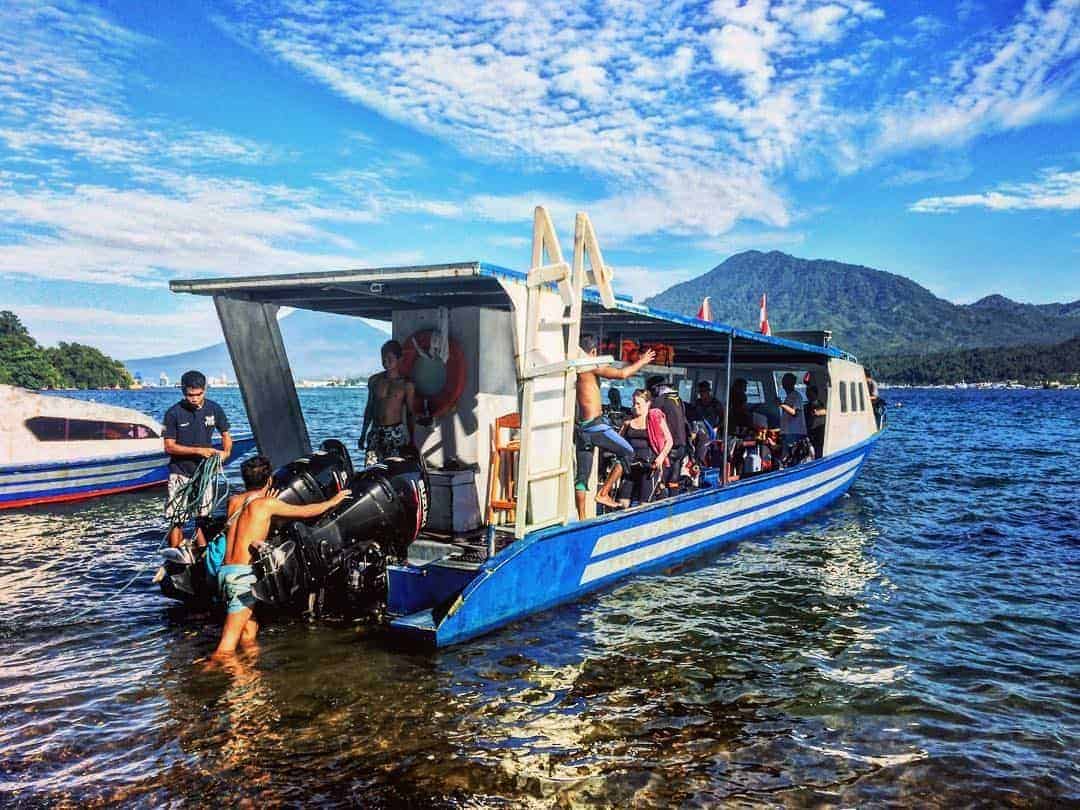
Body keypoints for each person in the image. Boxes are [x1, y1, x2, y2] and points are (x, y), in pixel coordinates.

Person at [213, 455, 351, 659]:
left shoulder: (233, 502)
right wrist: (333, 501)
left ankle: (249, 681)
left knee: (249, 634)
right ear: (269, 481)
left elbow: (245, 526)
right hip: (241, 578)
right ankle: (204, 676)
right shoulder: (267, 504)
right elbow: (306, 511)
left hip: (224, 573)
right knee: (225, 649)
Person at [575, 335, 655, 519]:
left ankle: (581, 519)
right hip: (595, 427)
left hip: (581, 429)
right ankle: (603, 493)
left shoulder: (576, 367)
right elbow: (622, 374)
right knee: (628, 452)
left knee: (581, 479)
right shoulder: (590, 366)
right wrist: (642, 361)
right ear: (594, 352)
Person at [163, 370, 232, 549]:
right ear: (183, 392)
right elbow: (169, 446)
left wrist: (226, 452)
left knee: (203, 517)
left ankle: (202, 552)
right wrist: (198, 451)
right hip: (180, 473)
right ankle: (175, 555)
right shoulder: (173, 413)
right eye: (189, 395)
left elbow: (226, 434)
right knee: (176, 518)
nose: (194, 398)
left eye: (198, 394)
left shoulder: (214, 409)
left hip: (203, 474)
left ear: (205, 390)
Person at [597, 388, 672, 509]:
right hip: (630, 467)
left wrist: (661, 457)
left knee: (644, 505)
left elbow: (669, 440)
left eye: (638, 403)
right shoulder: (628, 423)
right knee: (622, 504)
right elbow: (618, 442)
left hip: (650, 468)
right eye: (633, 403)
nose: (635, 406)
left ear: (648, 404)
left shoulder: (655, 419)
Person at [360, 340, 416, 466]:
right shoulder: (374, 381)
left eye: (390, 358)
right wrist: (363, 434)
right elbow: (369, 408)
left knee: (393, 470)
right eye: (383, 358)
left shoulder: (406, 385)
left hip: (395, 433)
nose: (386, 362)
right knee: (370, 470)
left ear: (399, 359)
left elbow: (410, 414)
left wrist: (412, 440)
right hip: (375, 432)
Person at [646, 375, 689, 497]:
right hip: (681, 446)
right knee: (674, 480)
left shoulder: (659, 401)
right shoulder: (678, 400)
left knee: (660, 482)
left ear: (655, 388)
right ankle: (674, 508)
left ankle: (659, 510)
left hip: (668, 448)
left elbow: (648, 418)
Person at [778, 372, 807, 457]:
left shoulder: (796, 396)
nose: (783, 384)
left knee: (791, 456)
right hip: (787, 432)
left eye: (785, 382)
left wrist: (781, 405)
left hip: (794, 432)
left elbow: (795, 413)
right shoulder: (789, 396)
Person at [805, 383, 827, 460]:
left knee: (819, 450)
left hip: (820, 431)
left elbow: (828, 411)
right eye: (807, 393)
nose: (808, 395)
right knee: (812, 451)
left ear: (815, 394)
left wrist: (819, 412)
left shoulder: (821, 404)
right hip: (811, 432)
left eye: (810, 393)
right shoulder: (807, 406)